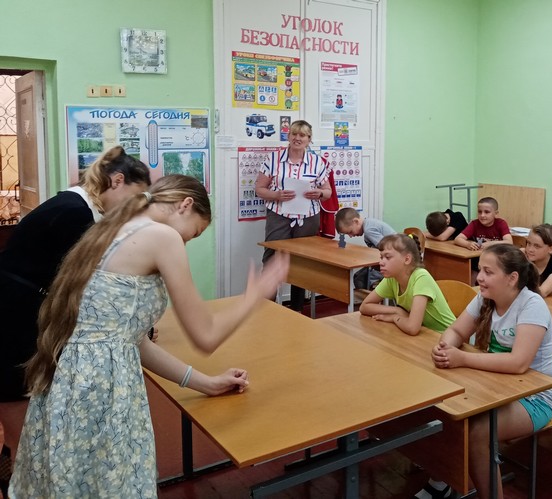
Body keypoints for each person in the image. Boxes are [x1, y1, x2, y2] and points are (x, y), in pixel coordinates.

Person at [9, 175, 289, 498]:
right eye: (194, 233)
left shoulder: (112, 229)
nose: (185, 243)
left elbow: (132, 341)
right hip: (100, 391)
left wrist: (206, 383)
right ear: (185, 205)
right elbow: (206, 335)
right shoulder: (162, 236)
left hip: (71, 386)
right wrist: (255, 296)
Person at [0, 146, 151, 401]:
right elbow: (88, 282)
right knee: (17, 391)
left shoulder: (74, 204)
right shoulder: (75, 213)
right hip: (15, 306)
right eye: (133, 197)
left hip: (20, 299)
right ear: (117, 181)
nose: (132, 207)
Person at [431, 244, 552, 499]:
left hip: (533, 398)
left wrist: (462, 358)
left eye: (488, 272)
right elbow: (456, 330)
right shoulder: (485, 298)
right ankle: (442, 478)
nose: (479, 278)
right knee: (440, 409)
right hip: (492, 384)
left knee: (478, 431)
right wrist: (446, 347)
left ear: (512, 278)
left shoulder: (532, 305)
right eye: (480, 270)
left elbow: (518, 363)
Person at [255, 119, 331, 311]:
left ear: (309, 139)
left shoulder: (317, 162)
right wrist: (276, 195)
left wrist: (319, 193)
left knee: (302, 263)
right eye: (294, 134)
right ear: (288, 136)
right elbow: (259, 189)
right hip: (279, 215)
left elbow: (328, 192)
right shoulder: (273, 159)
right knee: (271, 259)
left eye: (302, 135)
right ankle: (266, 308)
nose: (297, 138)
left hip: (308, 217)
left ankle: (297, 308)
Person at [360, 234, 455, 335]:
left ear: (407, 259)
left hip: (445, 335)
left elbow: (412, 328)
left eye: (387, 257)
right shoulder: (392, 278)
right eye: (381, 257)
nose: (381, 262)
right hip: (424, 333)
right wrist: (396, 310)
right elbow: (364, 307)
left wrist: (394, 317)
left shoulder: (421, 277)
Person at [454, 197, 513, 284]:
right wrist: (468, 244)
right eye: (479, 212)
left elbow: (509, 242)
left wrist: (491, 243)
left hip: (498, 259)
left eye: (487, 212)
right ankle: (473, 287)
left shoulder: (501, 223)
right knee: (472, 263)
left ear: (496, 213)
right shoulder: (474, 224)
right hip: (479, 258)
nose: (482, 215)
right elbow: (458, 239)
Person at [335, 207, 396, 289]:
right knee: (357, 277)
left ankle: (377, 295)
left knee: (361, 280)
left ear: (356, 221)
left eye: (350, 232)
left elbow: (387, 249)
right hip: (385, 261)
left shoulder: (369, 231)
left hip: (393, 264)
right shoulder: (369, 223)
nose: (351, 236)